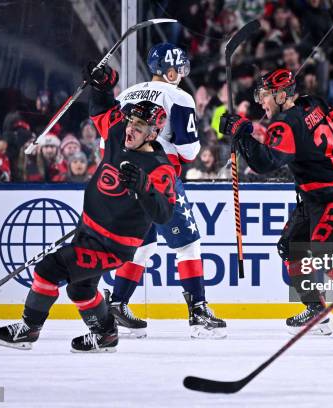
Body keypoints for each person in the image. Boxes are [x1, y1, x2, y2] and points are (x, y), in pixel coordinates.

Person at [0, 63, 175, 352]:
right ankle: (105, 335)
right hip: (88, 230)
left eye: (139, 127)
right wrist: (103, 84)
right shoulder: (119, 134)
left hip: (112, 247)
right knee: (81, 289)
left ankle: (29, 329)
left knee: (49, 268)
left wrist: (144, 187)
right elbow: (102, 111)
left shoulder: (160, 169)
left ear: (152, 134)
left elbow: (163, 214)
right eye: (131, 122)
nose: (130, 129)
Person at [220, 68, 333, 337]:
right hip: (317, 194)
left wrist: (241, 135)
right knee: (290, 246)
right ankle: (315, 309)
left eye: (264, 95)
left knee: (329, 257)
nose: (260, 102)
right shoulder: (312, 102)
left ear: (280, 95)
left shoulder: (286, 123)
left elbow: (266, 163)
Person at [110, 43, 226, 339]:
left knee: (142, 245)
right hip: (159, 178)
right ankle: (198, 313)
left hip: (121, 176)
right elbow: (187, 152)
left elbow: (105, 145)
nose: (182, 73)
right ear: (170, 68)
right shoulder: (178, 96)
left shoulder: (125, 94)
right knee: (188, 244)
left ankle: (117, 305)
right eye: (180, 67)